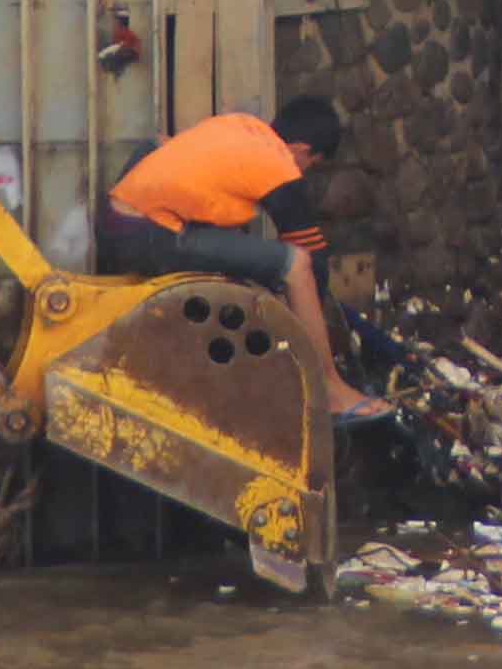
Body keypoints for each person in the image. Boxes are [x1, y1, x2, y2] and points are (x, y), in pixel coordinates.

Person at [100, 95, 392, 427]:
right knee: (295, 265)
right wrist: (315, 303)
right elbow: (310, 254)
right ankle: (331, 390)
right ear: (301, 149)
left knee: (163, 148)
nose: (305, 173)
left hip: (116, 217)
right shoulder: (278, 165)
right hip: (146, 235)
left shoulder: (240, 127)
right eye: (312, 163)